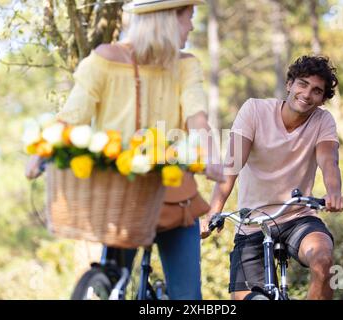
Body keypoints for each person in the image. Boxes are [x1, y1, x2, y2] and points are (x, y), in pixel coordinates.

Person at [26, 0, 223, 300]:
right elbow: (71, 116)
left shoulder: (185, 65)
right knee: (110, 283)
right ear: (167, 19)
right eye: (189, 17)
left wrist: (209, 154)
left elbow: (197, 117)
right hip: (124, 199)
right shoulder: (104, 60)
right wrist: (40, 153)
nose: (192, 26)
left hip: (174, 198)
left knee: (188, 299)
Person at [201, 55, 343, 300]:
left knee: (324, 262)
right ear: (289, 84)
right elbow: (232, 166)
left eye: (317, 91)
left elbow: (328, 161)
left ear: (322, 99)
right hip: (252, 224)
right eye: (302, 84)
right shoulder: (254, 110)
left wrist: (334, 192)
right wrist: (213, 213)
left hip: (298, 217)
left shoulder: (323, 121)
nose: (307, 94)